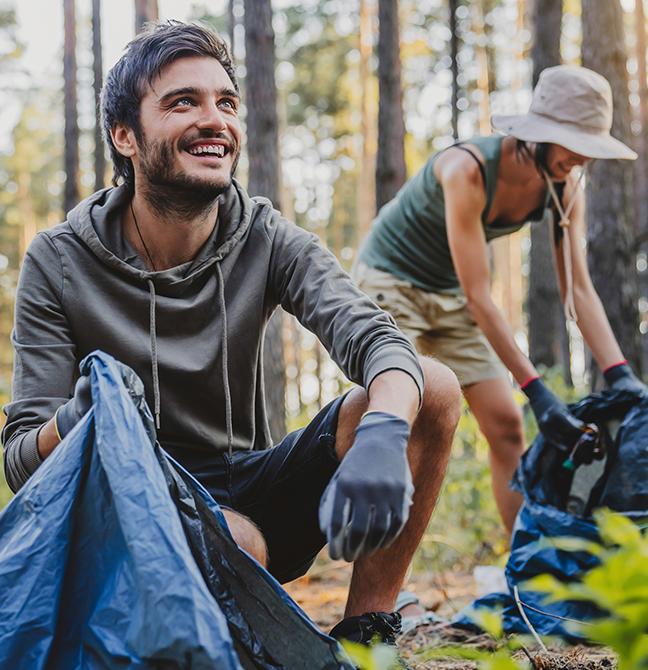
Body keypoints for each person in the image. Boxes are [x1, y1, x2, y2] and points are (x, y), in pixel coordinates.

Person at [1, 21, 461, 662]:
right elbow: (21, 458)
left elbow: (379, 343)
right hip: (137, 508)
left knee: (429, 386)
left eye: (226, 102)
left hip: (254, 483)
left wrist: (384, 431)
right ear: (125, 137)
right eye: (182, 102)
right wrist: (78, 421)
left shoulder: (267, 236)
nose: (214, 120)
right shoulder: (57, 260)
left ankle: (366, 635)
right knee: (236, 544)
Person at [353, 65, 648, 534]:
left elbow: (579, 288)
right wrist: (538, 391)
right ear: (538, 133)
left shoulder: (564, 186)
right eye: (572, 143)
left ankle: (521, 568)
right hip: (391, 282)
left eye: (589, 148)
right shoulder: (466, 169)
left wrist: (621, 375)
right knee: (404, 416)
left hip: (450, 295)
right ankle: (381, 588)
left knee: (508, 425)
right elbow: (480, 295)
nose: (580, 159)